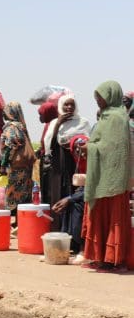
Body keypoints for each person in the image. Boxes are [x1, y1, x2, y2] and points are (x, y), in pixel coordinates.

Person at [79, 81, 131, 271]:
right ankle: (98, 258)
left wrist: (90, 148)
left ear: (111, 96)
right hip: (101, 176)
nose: (98, 101)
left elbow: (112, 148)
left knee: (112, 219)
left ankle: (113, 260)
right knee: (98, 216)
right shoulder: (105, 117)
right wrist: (89, 147)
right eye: (96, 98)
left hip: (113, 179)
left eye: (101, 97)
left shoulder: (117, 118)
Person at [43, 95, 91, 229]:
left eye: (72, 105)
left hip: (75, 164)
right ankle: (58, 229)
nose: (69, 107)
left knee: (74, 196)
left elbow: (87, 142)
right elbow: (50, 145)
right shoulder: (54, 123)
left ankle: (72, 232)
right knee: (59, 194)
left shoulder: (83, 122)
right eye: (66, 105)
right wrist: (58, 124)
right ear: (61, 106)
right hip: (59, 164)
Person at [52, 135, 88, 256]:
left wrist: (70, 198)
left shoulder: (94, 163)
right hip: (86, 192)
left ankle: (80, 246)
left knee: (75, 205)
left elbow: (94, 187)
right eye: (76, 150)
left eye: (83, 149)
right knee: (68, 204)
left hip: (97, 194)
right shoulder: (76, 164)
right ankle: (67, 244)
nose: (80, 153)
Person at [0, 102, 35, 212]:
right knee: (24, 193)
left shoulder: (11, 128)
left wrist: (4, 165)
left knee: (13, 194)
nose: (3, 115)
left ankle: (15, 222)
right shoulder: (22, 127)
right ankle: (22, 222)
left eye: (5, 112)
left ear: (10, 113)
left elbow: (10, 147)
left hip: (15, 168)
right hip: (25, 167)